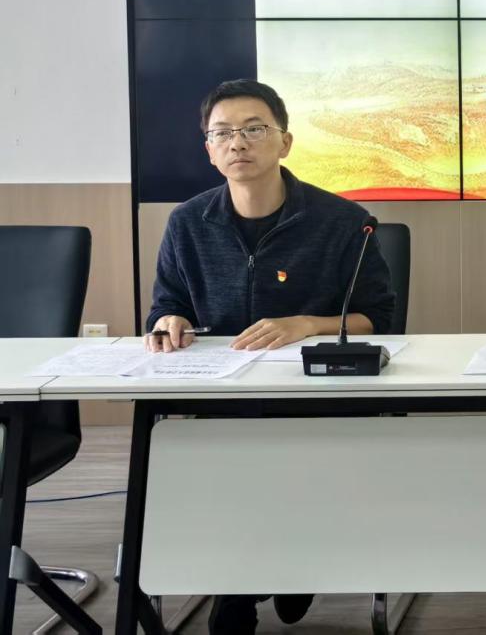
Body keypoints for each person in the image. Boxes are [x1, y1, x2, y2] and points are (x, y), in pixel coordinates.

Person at [146, 78, 395, 633]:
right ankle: (252, 581)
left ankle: (281, 567)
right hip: (222, 396)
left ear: (285, 142)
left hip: (319, 396)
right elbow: (167, 304)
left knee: (282, 462)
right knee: (220, 466)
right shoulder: (187, 223)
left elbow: (380, 320)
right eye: (223, 133)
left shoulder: (343, 222)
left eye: (254, 129)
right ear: (209, 151)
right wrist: (169, 322)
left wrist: (307, 324)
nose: (238, 142)